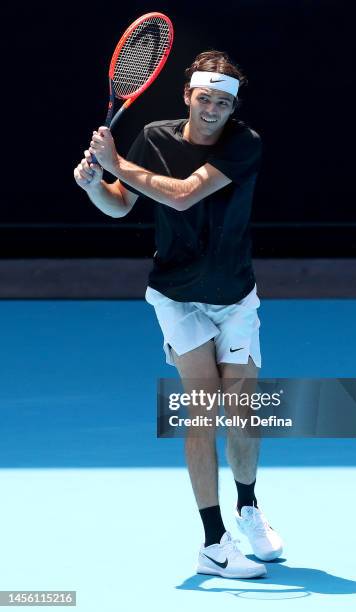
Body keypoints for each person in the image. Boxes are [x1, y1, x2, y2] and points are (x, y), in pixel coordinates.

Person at [74, 50, 284, 579]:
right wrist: (97, 184)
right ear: (188, 95)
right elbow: (121, 205)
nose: (213, 108)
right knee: (202, 410)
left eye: (224, 101)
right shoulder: (154, 137)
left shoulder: (245, 143)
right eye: (205, 97)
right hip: (176, 295)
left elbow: (187, 196)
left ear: (233, 105)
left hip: (235, 295)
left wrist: (116, 163)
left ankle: (249, 507)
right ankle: (214, 542)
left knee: (242, 414)